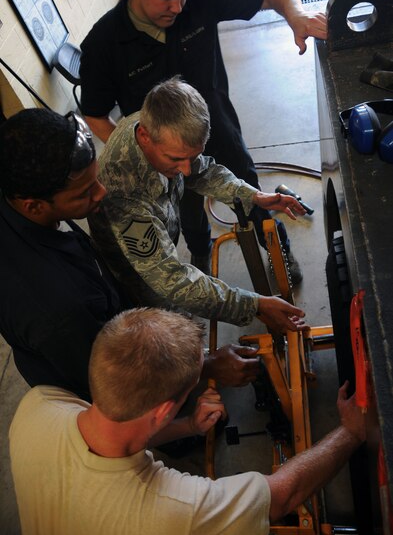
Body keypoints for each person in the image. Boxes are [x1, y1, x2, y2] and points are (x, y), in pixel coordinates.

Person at [79, 0, 327, 282]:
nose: (178, 6)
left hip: (219, 130)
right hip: (164, 158)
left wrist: (295, 14)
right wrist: (147, 151)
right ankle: (200, 247)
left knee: (248, 191)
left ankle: (276, 247)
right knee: (188, 211)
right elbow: (94, 113)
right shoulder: (102, 44)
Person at [9, 307, 366, 535]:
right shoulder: (175, 512)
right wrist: (351, 430)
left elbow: (115, 429)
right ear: (164, 410)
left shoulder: (36, 406)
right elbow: (283, 496)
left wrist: (189, 427)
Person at [0, 107, 264, 401]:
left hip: (97, 308)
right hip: (100, 389)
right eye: (84, 193)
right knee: (180, 426)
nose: (102, 193)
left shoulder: (16, 191)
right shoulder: (59, 308)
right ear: (34, 206)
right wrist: (208, 367)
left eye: (95, 179)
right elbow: (113, 381)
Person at [88, 76, 307, 332]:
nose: (186, 171)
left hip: (160, 237)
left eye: (190, 157)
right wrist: (253, 306)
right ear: (145, 137)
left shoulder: (158, 123)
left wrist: (252, 195)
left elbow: (201, 171)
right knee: (172, 332)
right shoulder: (122, 192)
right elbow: (171, 281)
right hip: (139, 273)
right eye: (177, 159)